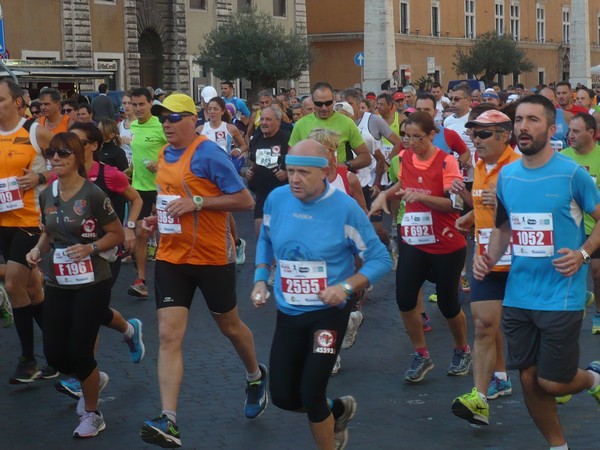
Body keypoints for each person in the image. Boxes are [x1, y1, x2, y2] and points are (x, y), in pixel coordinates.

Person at [138, 94, 267, 449]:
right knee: (168, 335)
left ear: (192, 120)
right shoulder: (164, 155)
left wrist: (198, 202)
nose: (165, 123)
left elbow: (244, 200)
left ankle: (255, 375)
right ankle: (169, 419)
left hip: (211, 258)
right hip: (172, 257)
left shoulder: (209, 153)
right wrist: (155, 220)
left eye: (173, 117)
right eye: (161, 117)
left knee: (230, 327)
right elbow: (168, 200)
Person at [473, 94, 600, 450]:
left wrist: (583, 253)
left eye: (533, 120)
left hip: (562, 293)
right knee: (528, 378)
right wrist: (488, 256)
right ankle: (558, 445)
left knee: (552, 382)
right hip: (519, 294)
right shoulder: (508, 176)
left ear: (552, 127)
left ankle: (592, 378)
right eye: (519, 121)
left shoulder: (573, 174)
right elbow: (503, 227)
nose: (523, 127)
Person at [251, 138, 390, 450]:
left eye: (303, 172)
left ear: (325, 172)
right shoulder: (277, 199)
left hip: (328, 315)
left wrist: (344, 287)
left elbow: (381, 260)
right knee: (285, 397)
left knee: (312, 392)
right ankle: (337, 410)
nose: (295, 179)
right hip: (289, 313)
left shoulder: (345, 210)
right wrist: (261, 278)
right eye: (290, 171)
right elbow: (265, 239)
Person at [26, 132, 124, 438]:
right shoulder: (46, 194)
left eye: (63, 154)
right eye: (52, 153)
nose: (56, 159)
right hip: (58, 280)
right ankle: (92, 376)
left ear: (78, 157)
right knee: (54, 354)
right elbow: (48, 233)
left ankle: (93, 413)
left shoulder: (93, 194)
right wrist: (37, 250)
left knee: (80, 350)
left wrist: (90, 248)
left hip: (93, 281)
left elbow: (116, 234)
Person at [370, 111, 470, 383]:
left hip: (447, 241)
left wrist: (422, 198)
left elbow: (455, 204)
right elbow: (402, 182)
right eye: (406, 137)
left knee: (449, 305)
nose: (411, 142)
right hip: (415, 239)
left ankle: (462, 349)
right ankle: (421, 354)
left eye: (417, 137)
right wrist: (383, 196)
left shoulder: (447, 162)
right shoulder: (404, 158)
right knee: (404, 298)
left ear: (432, 135)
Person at [52, 122, 145, 408]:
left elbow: (136, 198)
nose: (66, 151)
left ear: (91, 146)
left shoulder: (110, 175)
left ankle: (86, 375)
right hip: (72, 260)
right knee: (92, 310)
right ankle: (129, 330)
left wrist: (129, 228)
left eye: (74, 144)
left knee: (89, 314)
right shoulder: (62, 179)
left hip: (105, 254)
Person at [448, 109, 520, 426]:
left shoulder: (519, 166)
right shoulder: (478, 165)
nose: (475, 140)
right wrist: (470, 217)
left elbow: (540, 213)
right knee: (484, 325)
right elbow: (484, 208)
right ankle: (480, 397)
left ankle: (579, 379)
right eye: (473, 134)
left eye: (483, 134)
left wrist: (505, 202)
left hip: (521, 260)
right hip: (487, 259)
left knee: (532, 333)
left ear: (504, 136)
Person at [0, 80, 54, 383]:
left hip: (30, 222)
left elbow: (69, 162)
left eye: (1, 99)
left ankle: (28, 360)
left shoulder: (34, 131)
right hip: (2, 223)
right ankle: (60, 352)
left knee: (13, 285)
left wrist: (40, 176)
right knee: (33, 289)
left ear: (18, 102)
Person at [196, 96, 248, 264]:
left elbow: (244, 145)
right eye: (209, 109)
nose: (212, 112)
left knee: (225, 211)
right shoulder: (200, 129)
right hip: (204, 175)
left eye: (215, 109)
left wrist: (237, 151)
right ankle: (213, 245)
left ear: (223, 111)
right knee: (206, 210)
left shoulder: (230, 128)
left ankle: (236, 243)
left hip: (223, 173)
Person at [561, 113, 600, 334]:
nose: (570, 135)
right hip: (569, 227)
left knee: (596, 273)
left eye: (576, 131)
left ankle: (599, 312)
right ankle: (580, 298)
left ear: (591, 133)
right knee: (567, 269)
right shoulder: (562, 158)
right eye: (569, 131)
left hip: (595, 226)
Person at [128, 87, 167, 298]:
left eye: (142, 104)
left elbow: (176, 153)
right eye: (134, 105)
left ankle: (174, 276)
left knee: (167, 232)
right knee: (140, 233)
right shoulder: (133, 125)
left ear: (151, 103)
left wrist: (159, 165)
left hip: (162, 187)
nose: (138, 109)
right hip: (139, 188)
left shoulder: (161, 127)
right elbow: (137, 157)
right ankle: (141, 281)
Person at [290, 82, 371, 171]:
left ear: (333, 100)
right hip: (310, 181)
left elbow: (365, 158)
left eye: (328, 103)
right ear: (313, 102)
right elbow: (291, 158)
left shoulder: (347, 123)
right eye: (319, 104)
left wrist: (345, 165)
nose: (324, 108)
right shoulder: (301, 124)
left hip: (338, 179)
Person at [246, 106, 289, 236]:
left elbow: (295, 165)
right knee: (261, 235)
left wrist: (286, 173)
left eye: (268, 120)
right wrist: (250, 172)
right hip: (261, 194)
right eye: (262, 119)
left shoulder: (286, 139)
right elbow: (253, 162)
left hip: (281, 194)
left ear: (278, 121)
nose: (264, 123)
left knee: (280, 237)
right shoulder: (257, 139)